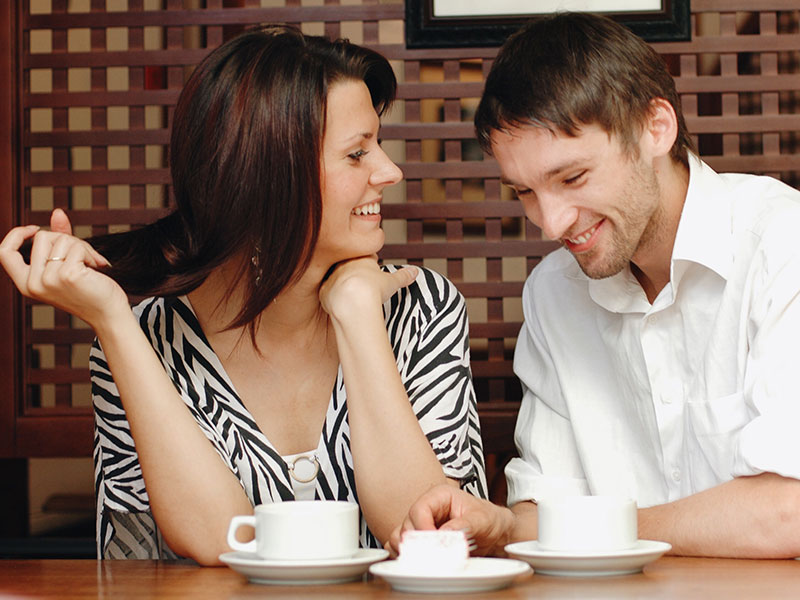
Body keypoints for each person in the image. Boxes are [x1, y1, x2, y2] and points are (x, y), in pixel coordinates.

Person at [0, 25, 487, 564]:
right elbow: (217, 543)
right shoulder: (146, 341)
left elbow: (428, 533)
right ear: (267, 176)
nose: (389, 171)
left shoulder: (422, 308)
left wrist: (357, 314)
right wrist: (115, 323)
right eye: (357, 154)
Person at [388, 11, 800, 559]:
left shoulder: (781, 245)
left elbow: (786, 513)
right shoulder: (553, 292)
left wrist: (590, 528)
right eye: (525, 192)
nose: (552, 223)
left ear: (656, 128)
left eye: (572, 177)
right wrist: (503, 526)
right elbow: (539, 507)